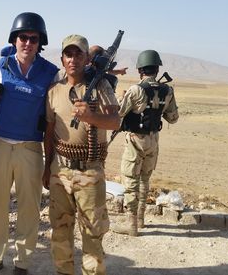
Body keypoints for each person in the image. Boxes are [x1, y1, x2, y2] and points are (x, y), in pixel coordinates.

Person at [0, 12, 59, 275]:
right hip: (0, 145)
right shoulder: (1, 65)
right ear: (14, 39)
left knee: (29, 209)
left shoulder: (50, 73)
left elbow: (53, 118)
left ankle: (22, 263)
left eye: (34, 39)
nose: (28, 43)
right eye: (23, 37)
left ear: (40, 43)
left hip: (30, 150)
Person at [43, 35, 120, 275]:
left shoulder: (100, 87)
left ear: (87, 59)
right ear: (62, 59)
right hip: (59, 171)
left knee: (92, 234)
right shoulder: (54, 91)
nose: (73, 59)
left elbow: (115, 122)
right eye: (69, 54)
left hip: (90, 171)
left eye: (78, 54)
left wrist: (91, 117)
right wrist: (47, 168)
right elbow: (49, 132)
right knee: (60, 231)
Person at [112, 50, 179, 236]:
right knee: (144, 179)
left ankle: (131, 225)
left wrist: (121, 98)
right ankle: (141, 220)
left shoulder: (136, 90)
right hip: (153, 140)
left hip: (135, 140)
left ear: (140, 69)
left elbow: (119, 113)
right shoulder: (167, 90)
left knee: (131, 181)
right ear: (157, 69)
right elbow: (173, 118)